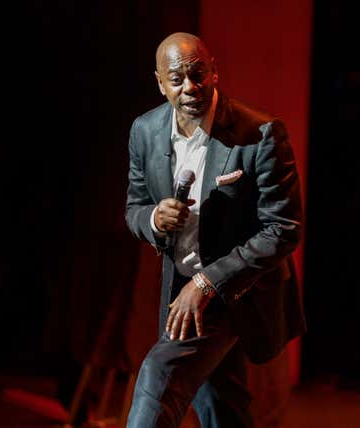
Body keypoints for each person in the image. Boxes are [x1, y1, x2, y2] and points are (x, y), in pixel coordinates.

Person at [124, 32, 305, 427]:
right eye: (177, 79)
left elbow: (283, 227)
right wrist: (154, 218)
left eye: (197, 74)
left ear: (214, 72)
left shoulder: (260, 134)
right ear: (160, 83)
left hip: (234, 291)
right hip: (182, 289)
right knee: (222, 407)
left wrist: (205, 283)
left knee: (159, 375)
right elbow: (134, 208)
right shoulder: (145, 131)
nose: (190, 87)